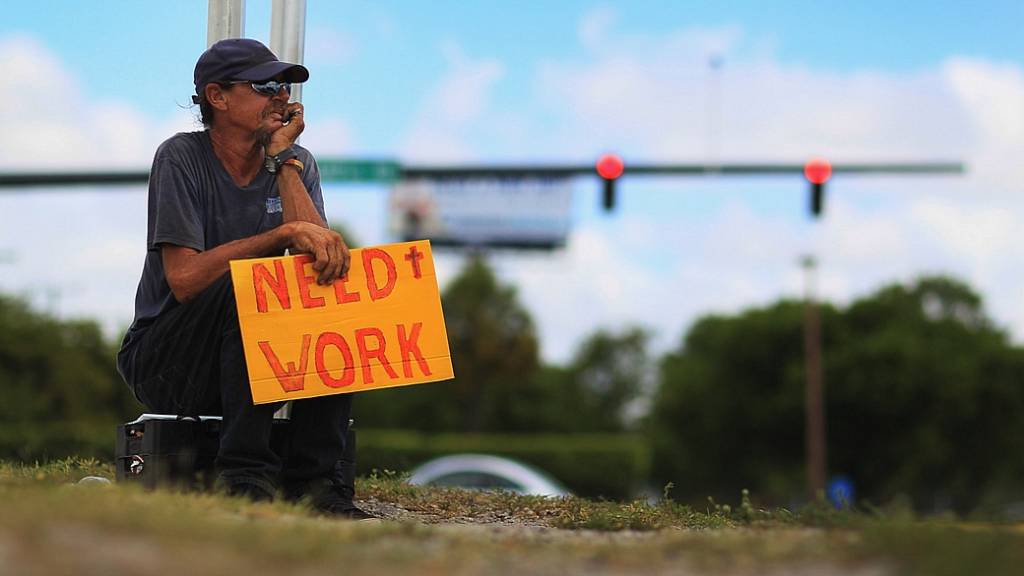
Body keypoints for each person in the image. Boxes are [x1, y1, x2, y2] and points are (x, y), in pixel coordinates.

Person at [117, 38, 371, 519]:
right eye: (265, 85)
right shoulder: (180, 157)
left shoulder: (296, 162)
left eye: (283, 86)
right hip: (167, 359)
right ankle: (244, 475)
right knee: (248, 282)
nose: (280, 96)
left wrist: (283, 161)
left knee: (330, 283)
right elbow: (186, 280)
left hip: (254, 358)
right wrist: (281, 234)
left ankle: (317, 483)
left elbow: (314, 254)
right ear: (218, 96)